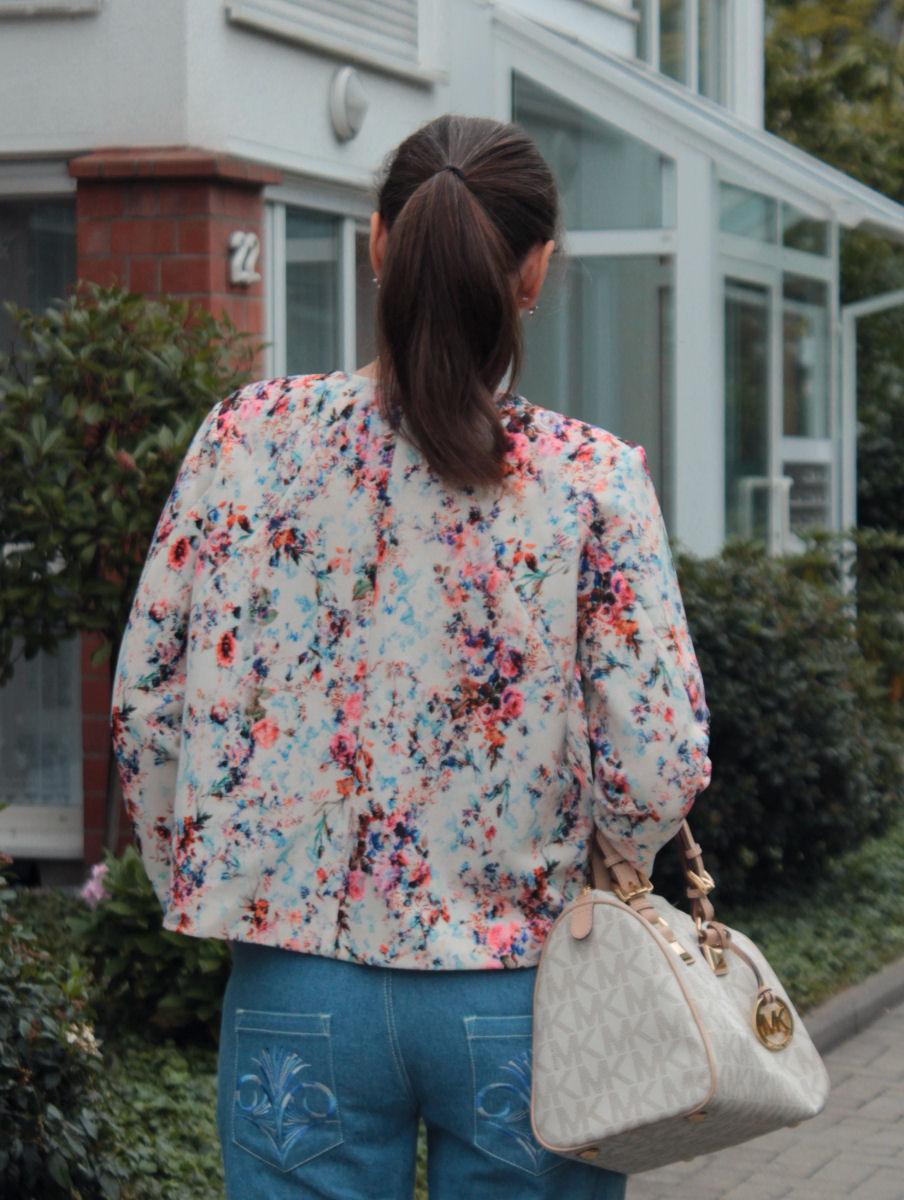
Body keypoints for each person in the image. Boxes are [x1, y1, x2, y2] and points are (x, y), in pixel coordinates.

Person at [110, 113, 712, 1200]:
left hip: (297, 983)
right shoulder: (590, 479)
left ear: (378, 243)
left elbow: (146, 708)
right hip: (526, 987)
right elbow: (657, 760)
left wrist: (218, 877)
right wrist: (604, 863)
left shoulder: (244, 440)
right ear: (534, 272)